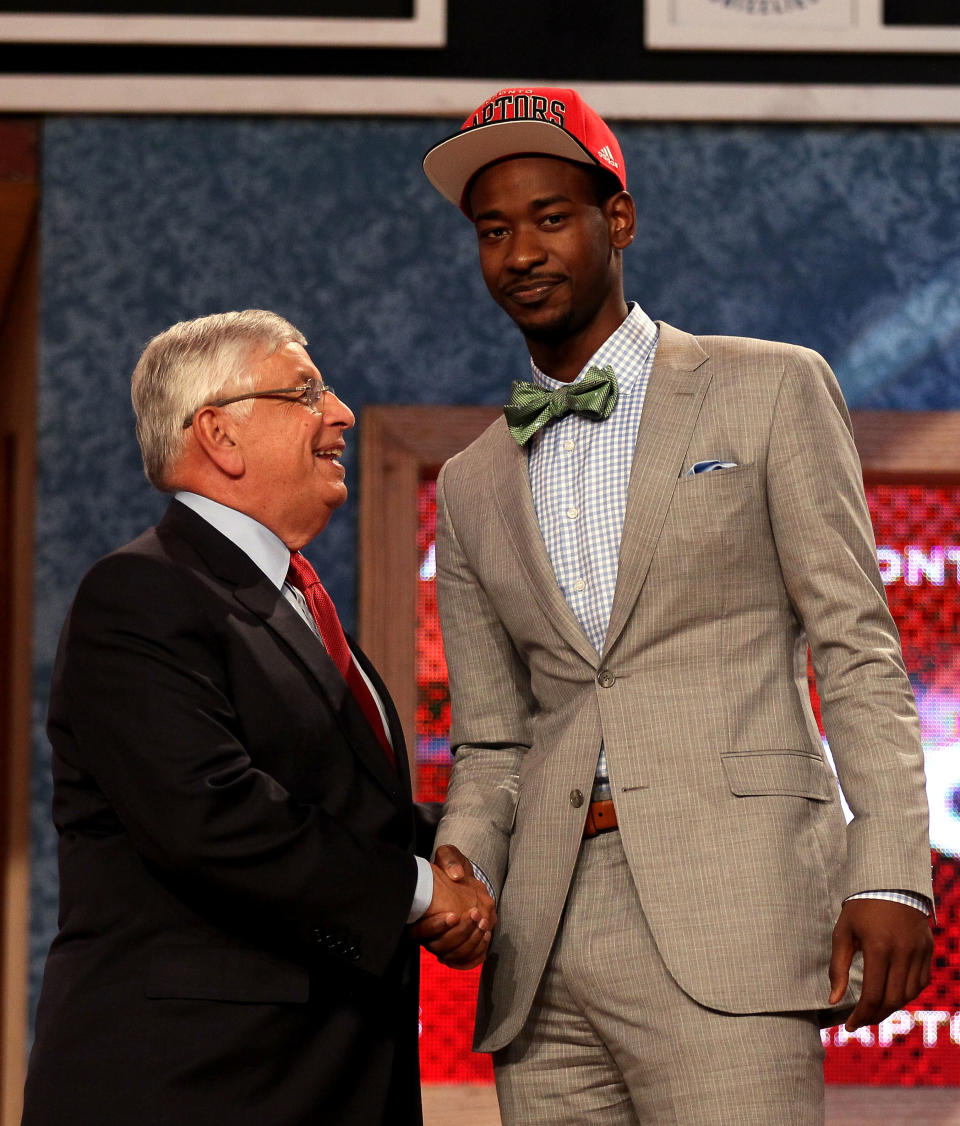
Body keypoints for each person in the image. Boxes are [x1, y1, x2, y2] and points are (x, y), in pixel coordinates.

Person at [420, 89, 934, 1124]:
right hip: (542, 943)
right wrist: (460, 863)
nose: (521, 251)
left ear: (619, 220)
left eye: (551, 218)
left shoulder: (771, 388)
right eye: (493, 231)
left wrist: (892, 868)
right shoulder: (471, 480)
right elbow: (491, 741)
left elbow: (857, 647)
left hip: (732, 907)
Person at [21, 310, 494, 1126]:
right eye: (305, 392)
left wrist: (492, 849)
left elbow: (356, 815)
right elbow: (213, 817)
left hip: (320, 1083)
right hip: (195, 1088)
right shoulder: (138, 594)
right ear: (220, 435)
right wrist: (421, 892)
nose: (342, 412)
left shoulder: (294, 603)